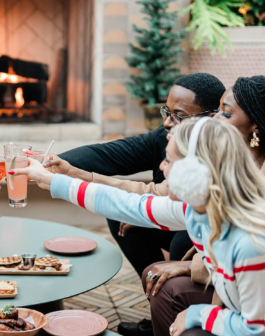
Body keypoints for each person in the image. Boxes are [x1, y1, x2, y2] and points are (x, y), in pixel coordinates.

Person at [13, 117, 265, 336]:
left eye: (169, 161)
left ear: (198, 171)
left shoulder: (251, 242)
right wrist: (52, 180)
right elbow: (129, 206)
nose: (162, 168)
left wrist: (200, 314)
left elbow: (262, 330)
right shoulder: (199, 209)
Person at [49, 73, 225, 336]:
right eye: (166, 111)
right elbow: (113, 158)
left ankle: (179, 307)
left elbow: (156, 196)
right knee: (123, 217)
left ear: (210, 118)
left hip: (218, 266)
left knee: (180, 240)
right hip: (182, 220)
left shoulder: (225, 160)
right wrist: (51, 165)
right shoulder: (165, 135)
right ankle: (162, 310)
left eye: (178, 115)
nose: (166, 122)